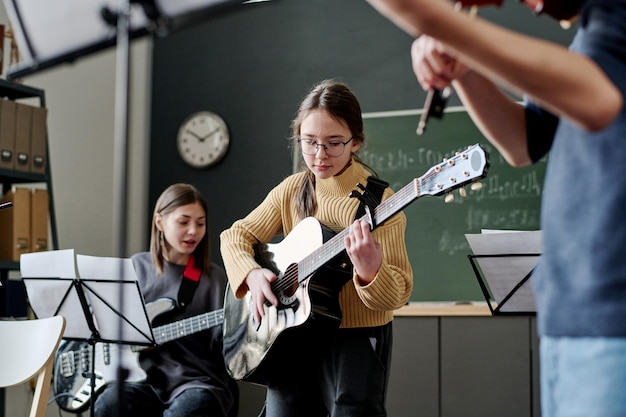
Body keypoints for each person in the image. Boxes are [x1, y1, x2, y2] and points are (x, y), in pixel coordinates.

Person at [365, 0, 626, 416]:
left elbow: (599, 99)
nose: (528, 4)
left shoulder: (614, 25)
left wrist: (440, 24)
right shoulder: (587, 42)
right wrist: (465, 69)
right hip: (573, 312)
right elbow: (523, 142)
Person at [220, 79, 413, 417]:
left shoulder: (382, 202)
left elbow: (398, 294)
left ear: (356, 142)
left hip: (356, 339)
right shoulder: (293, 189)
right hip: (292, 337)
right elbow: (235, 236)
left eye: (334, 143)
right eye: (309, 143)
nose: (319, 155)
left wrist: (370, 273)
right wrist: (251, 275)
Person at [95, 183, 238, 417]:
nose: (193, 231)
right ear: (160, 221)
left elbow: (226, 348)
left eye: (200, 223)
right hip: (140, 378)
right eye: (184, 222)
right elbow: (98, 319)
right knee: (108, 404)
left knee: (190, 408)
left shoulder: (216, 278)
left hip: (196, 380)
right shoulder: (135, 267)